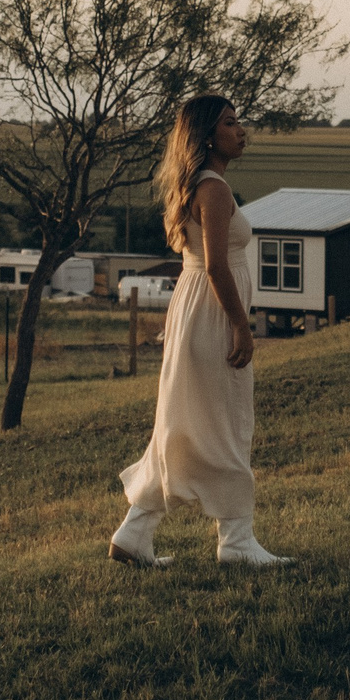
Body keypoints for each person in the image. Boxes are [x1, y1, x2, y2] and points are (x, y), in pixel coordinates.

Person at [109, 95, 290, 568]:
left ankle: (135, 534)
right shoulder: (213, 189)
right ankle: (236, 541)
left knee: (185, 425)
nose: (241, 130)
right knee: (225, 424)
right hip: (210, 313)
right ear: (208, 136)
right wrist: (240, 326)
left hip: (194, 310)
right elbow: (215, 265)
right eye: (230, 123)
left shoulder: (203, 185)